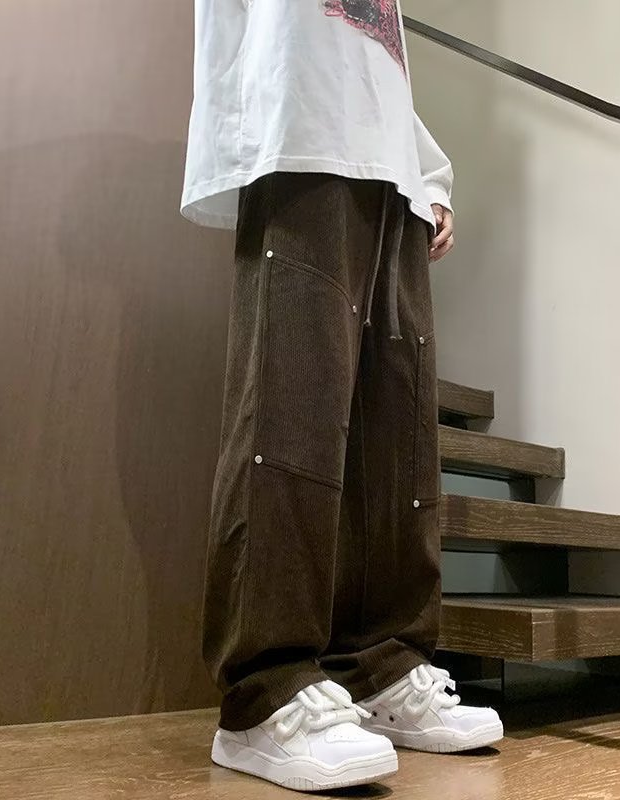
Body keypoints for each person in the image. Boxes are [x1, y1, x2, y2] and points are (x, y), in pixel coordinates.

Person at [180, 0, 503, 791]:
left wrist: (427, 171)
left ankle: (380, 666)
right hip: (297, 131)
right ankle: (263, 693)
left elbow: (374, 57)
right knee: (290, 410)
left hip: (391, 166)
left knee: (397, 439)